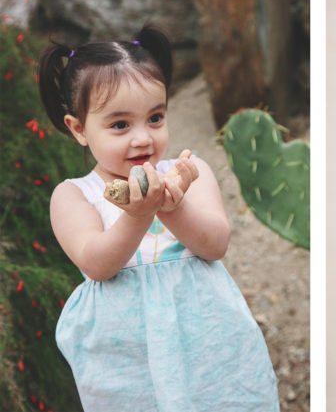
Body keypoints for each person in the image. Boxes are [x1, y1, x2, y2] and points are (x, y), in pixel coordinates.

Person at [39, 25, 279, 411]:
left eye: (155, 117)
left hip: (209, 343)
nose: (143, 138)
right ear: (79, 129)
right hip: (126, 354)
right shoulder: (73, 195)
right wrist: (137, 216)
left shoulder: (188, 172)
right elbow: (97, 264)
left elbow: (216, 244)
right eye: (120, 124)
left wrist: (173, 207)